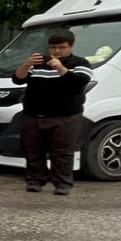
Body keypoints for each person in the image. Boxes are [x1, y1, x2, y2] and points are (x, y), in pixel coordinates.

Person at [14, 31, 92, 195]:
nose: (56, 51)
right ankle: (35, 181)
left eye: (61, 47)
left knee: (62, 152)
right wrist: (26, 65)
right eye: (53, 47)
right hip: (33, 115)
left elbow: (77, 83)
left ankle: (62, 184)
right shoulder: (38, 63)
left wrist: (59, 66)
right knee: (33, 150)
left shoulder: (81, 63)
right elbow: (18, 79)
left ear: (71, 46)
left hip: (66, 116)